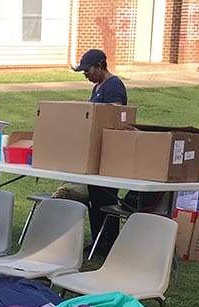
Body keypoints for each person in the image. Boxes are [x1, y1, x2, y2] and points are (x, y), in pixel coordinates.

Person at [73, 48, 127, 256]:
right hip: (95, 151)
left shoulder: (114, 86)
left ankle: (110, 243)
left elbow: (112, 114)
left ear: (99, 66)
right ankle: (97, 241)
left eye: (87, 70)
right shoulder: (98, 87)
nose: (86, 74)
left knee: (106, 200)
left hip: (110, 153)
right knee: (94, 199)